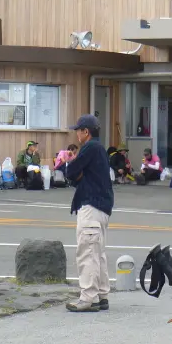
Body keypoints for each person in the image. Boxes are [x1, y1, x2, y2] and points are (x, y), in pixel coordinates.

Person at [62, 114, 114, 313]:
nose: (76, 133)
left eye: (78, 130)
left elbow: (72, 171)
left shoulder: (90, 148)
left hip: (91, 206)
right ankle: (102, 295)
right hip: (101, 207)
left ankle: (88, 297)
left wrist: (71, 161)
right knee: (98, 252)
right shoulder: (99, 150)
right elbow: (79, 175)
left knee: (87, 252)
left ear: (86, 132)